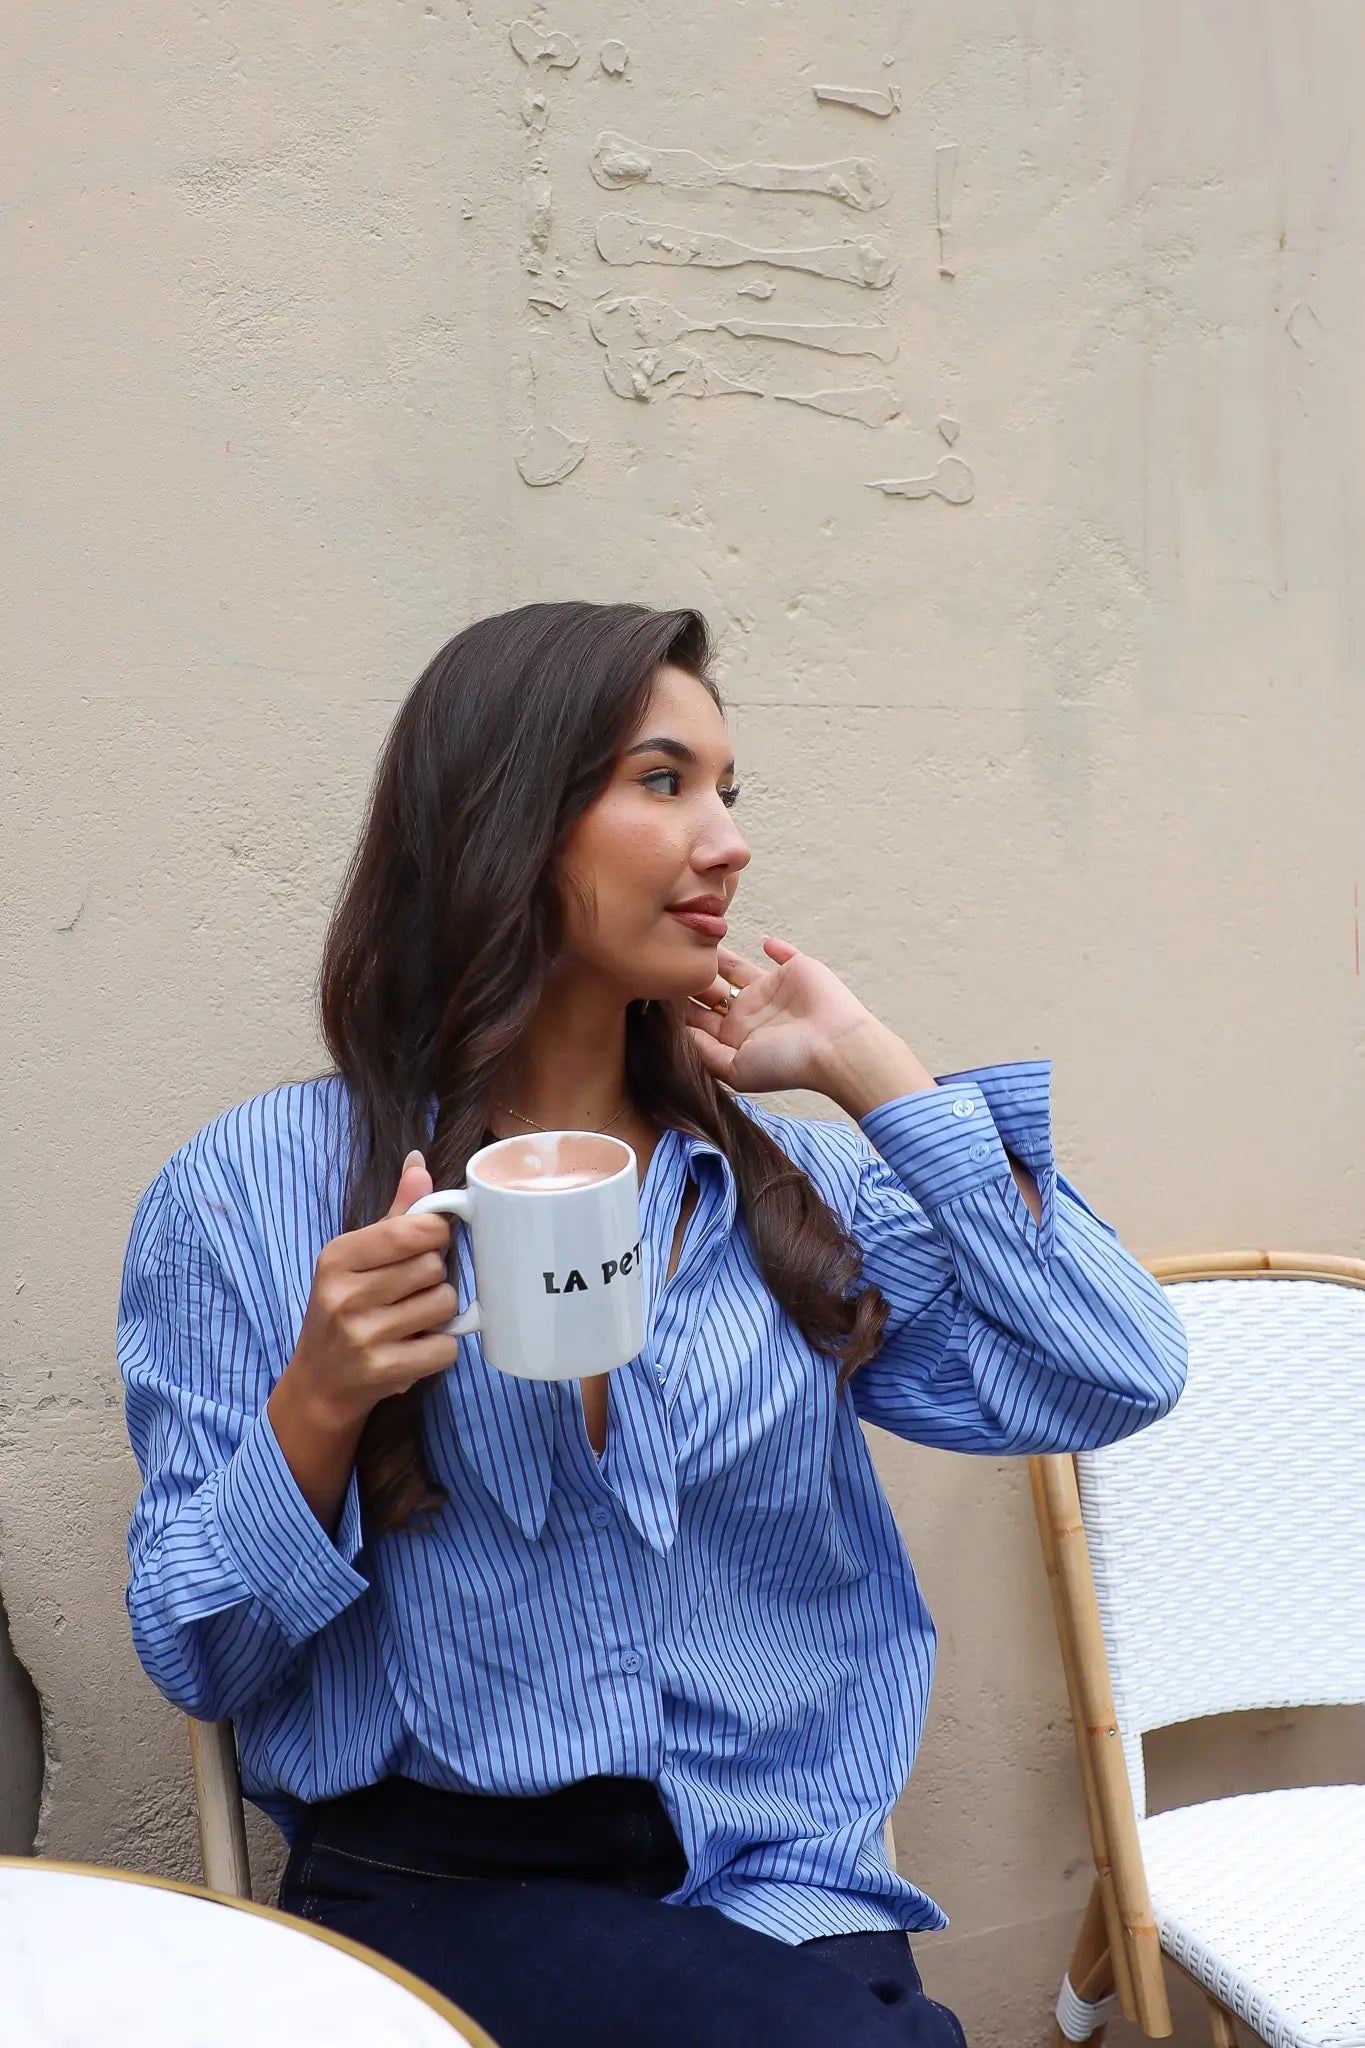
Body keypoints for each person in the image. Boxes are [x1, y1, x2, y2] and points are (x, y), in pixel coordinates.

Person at [117, 601, 1187, 2047]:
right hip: (443, 1889)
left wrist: (874, 1075)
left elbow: (1117, 1371)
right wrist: (319, 1403)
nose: (728, 840)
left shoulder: (786, 1192)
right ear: (509, 822)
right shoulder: (254, 1193)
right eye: (663, 781)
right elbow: (201, 1656)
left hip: (777, 1885)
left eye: (729, 793)